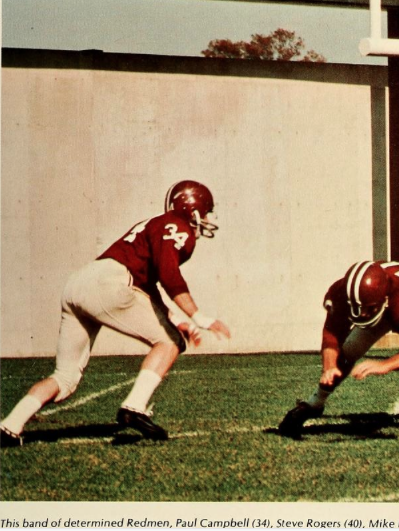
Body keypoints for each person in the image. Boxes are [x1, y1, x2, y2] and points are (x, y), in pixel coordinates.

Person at [0, 181, 231, 446]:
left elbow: (147, 285)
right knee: (169, 343)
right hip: (111, 282)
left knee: (64, 379)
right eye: (208, 210)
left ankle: (10, 425)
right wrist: (199, 317)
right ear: (193, 208)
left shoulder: (155, 224)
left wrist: (176, 319)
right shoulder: (179, 229)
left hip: (79, 283)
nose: (210, 217)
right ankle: (134, 406)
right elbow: (168, 274)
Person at [278, 260, 399, 438]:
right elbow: (332, 333)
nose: (361, 314)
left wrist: (386, 364)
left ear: (385, 299)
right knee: (347, 352)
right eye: (356, 308)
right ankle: (314, 404)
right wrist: (329, 366)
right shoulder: (344, 291)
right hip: (388, 304)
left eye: (368, 309)